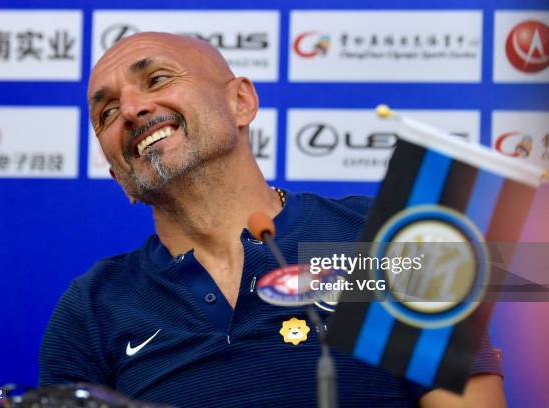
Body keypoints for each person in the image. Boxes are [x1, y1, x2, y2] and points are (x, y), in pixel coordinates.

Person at [40, 32, 506, 407]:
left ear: (241, 101)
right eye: (107, 112)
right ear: (119, 174)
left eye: (158, 79)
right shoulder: (92, 307)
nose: (131, 110)